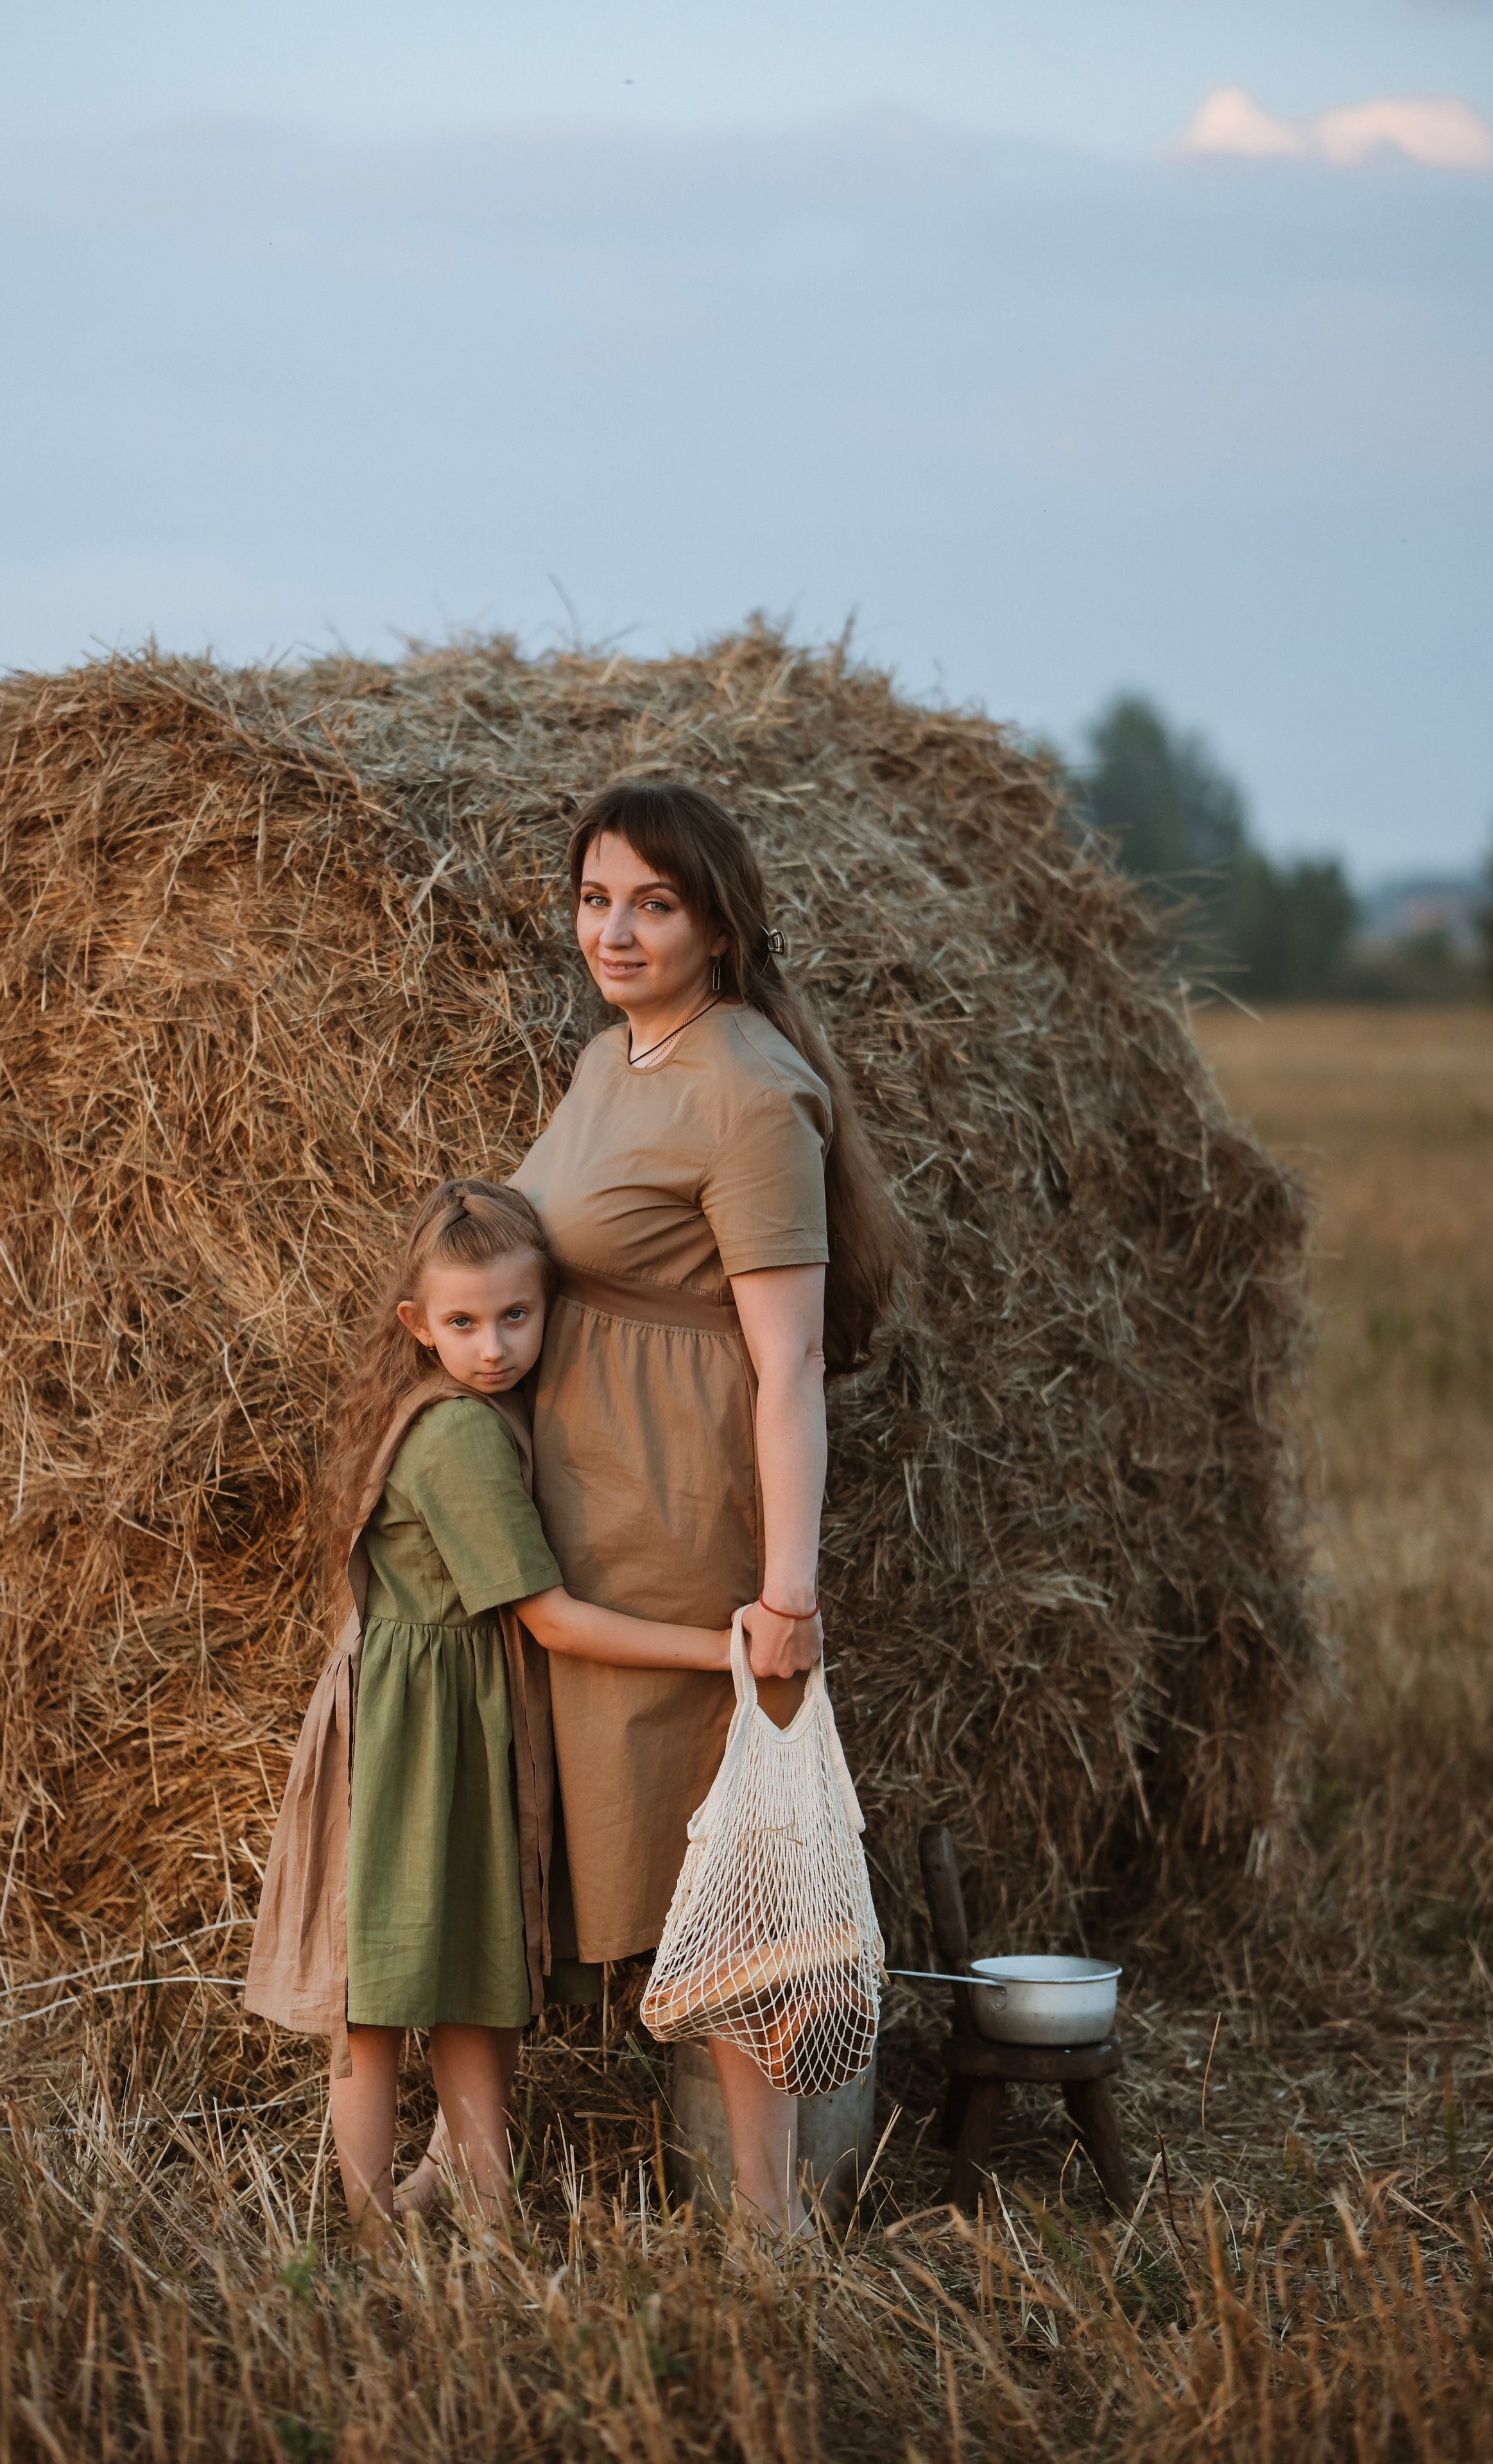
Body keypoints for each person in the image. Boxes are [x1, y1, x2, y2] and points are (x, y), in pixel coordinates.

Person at [512, 778, 904, 2236]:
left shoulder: (748, 1090)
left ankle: (769, 2218)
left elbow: (789, 1363)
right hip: (591, 1497)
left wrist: (786, 1596)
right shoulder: (611, 1056)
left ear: (719, 926)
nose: (613, 932)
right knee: (646, 1831)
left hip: (683, 1506)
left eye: (653, 905)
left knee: (732, 1847)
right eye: (594, 899)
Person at [243, 1178, 733, 2229]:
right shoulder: (458, 1435)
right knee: (377, 2000)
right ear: (417, 1325)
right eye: (463, 1323)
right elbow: (552, 1621)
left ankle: (488, 2208)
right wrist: (723, 1650)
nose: (496, 1346)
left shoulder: (478, 1410)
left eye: (517, 1315)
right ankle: (371, 2230)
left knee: (472, 1975)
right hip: (415, 1739)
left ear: (551, 1305)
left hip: (451, 1724)